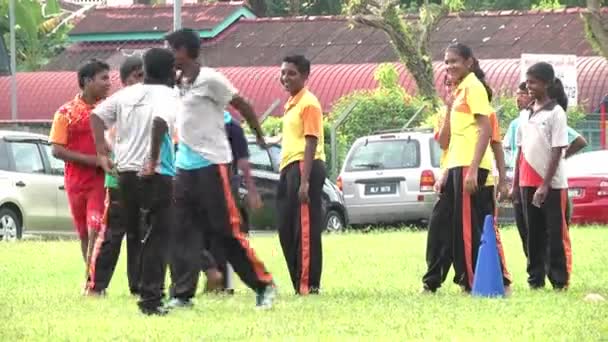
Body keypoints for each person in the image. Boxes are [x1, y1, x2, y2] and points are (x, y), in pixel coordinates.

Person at [164, 28, 275, 309]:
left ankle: (263, 285)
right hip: (183, 167)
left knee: (225, 230)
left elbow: (243, 104)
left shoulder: (210, 79)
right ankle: (182, 294)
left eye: (171, 50)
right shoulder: (177, 83)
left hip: (212, 165)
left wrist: (259, 134)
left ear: (185, 51)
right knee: (182, 230)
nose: (169, 56)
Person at [90, 48, 178, 315]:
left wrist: (102, 154)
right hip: (155, 173)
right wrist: (152, 158)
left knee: (135, 234)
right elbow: (160, 122)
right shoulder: (168, 94)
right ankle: (150, 299)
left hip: (125, 175)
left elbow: (96, 116)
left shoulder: (126, 94)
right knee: (157, 235)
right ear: (168, 70)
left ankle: (141, 289)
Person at [422, 75, 511, 293]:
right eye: (448, 85)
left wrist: (502, 178)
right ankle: (434, 280)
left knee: (482, 230)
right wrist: (448, 114)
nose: (451, 88)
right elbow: (444, 144)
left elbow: (495, 144)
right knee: (441, 227)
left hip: (478, 175)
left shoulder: (485, 112)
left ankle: (499, 279)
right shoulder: (448, 112)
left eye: (454, 84)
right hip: (451, 173)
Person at [439, 43, 498, 293]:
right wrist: (450, 107)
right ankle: (467, 279)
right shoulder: (458, 92)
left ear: (469, 62)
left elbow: (485, 129)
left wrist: (474, 169)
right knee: (456, 227)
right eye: (447, 61)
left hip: (468, 165)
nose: (450, 66)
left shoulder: (474, 87)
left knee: (466, 228)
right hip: (455, 164)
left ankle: (473, 281)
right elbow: (445, 141)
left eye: (455, 61)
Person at [48, 59, 111, 295]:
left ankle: (93, 284)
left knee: (96, 228)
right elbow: (56, 149)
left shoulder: (109, 110)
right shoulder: (65, 113)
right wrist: (94, 160)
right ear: (87, 81)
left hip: (100, 181)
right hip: (75, 183)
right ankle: (90, 278)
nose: (109, 82)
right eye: (103, 78)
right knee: (85, 234)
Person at [505, 82, 587, 256]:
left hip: (545, 182)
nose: (519, 98)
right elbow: (514, 153)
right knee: (527, 230)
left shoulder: (551, 116)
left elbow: (579, 140)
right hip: (522, 181)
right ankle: (536, 271)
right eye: (517, 94)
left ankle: (557, 273)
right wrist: (513, 184)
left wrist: (556, 159)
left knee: (552, 231)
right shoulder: (518, 122)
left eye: (524, 93)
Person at [86, 56, 144, 296]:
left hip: (144, 178)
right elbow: (97, 121)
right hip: (119, 178)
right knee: (112, 235)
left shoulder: (151, 102)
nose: (142, 81)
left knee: (139, 235)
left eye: (145, 76)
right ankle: (95, 286)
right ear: (125, 80)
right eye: (137, 76)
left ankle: (138, 286)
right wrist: (102, 154)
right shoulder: (118, 103)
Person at [513, 62, 573, 291]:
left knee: (554, 232)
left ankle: (559, 280)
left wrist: (545, 185)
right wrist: (516, 183)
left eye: (533, 82)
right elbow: (520, 150)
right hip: (526, 182)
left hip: (551, 184)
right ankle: (534, 279)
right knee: (533, 234)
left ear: (546, 84)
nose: (529, 87)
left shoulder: (556, 113)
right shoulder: (524, 115)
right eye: (527, 82)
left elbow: (558, 149)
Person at [276, 55, 326, 295]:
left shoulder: (309, 103)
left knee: (304, 230)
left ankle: (308, 285)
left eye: (292, 73)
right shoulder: (291, 104)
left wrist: (304, 181)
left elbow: (311, 141)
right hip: (288, 167)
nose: (285, 78)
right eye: (283, 72)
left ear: (305, 76)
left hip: (304, 167)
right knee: (286, 228)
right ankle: (298, 282)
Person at [199, 111, 263, 294]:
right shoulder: (201, 121)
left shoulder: (232, 126)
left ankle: (222, 283)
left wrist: (251, 190)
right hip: (205, 183)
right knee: (208, 235)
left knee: (221, 234)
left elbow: (242, 161)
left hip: (224, 185)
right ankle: (215, 280)